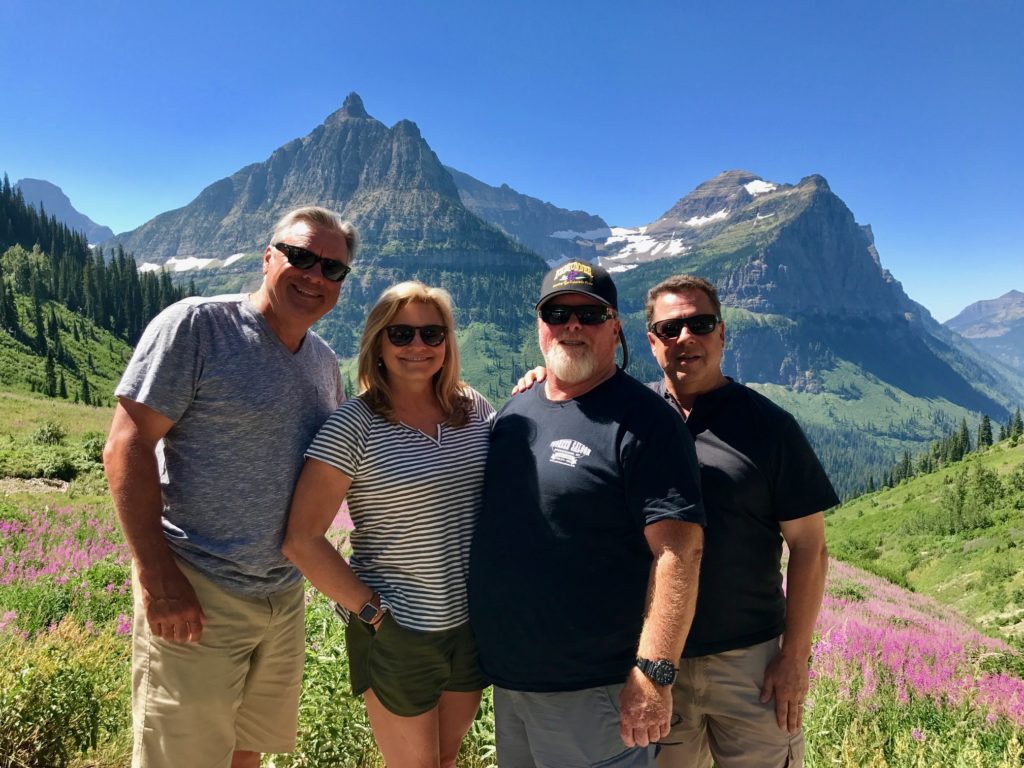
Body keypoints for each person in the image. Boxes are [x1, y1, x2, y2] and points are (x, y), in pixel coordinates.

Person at [103, 206, 356, 768]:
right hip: (197, 586)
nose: (315, 275)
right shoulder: (198, 325)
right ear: (269, 257)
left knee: (248, 754)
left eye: (333, 269)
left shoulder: (323, 363)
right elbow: (127, 445)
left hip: (282, 597)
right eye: (301, 256)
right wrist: (156, 574)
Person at [469, 261, 706, 768]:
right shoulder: (516, 412)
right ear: (540, 324)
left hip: (595, 692)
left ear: (614, 326)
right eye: (558, 312)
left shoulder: (646, 423)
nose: (572, 324)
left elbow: (680, 551)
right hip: (512, 683)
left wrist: (654, 671)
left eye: (589, 314)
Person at [282, 280, 494, 768]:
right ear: (378, 342)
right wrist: (373, 614)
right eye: (400, 334)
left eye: (431, 334)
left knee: (446, 758)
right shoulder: (354, 425)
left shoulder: (474, 409)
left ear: (447, 341)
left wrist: (537, 384)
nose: (418, 346)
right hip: (400, 628)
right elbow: (301, 539)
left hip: (470, 624)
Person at [645, 275, 836, 767]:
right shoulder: (632, 421)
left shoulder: (770, 427)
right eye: (670, 328)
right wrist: (538, 379)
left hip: (753, 665)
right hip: (656, 660)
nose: (686, 337)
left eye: (700, 324)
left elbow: (810, 547)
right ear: (652, 341)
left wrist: (794, 657)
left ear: (723, 334)